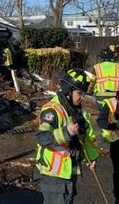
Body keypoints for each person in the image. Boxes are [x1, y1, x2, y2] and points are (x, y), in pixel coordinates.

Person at [35, 68, 99, 204]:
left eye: (83, 94)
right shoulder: (52, 110)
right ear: (68, 91)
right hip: (54, 175)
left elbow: (84, 138)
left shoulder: (77, 111)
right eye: (79, 93)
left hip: (68, 171)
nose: (82, 97)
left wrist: (90, 157)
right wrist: (66, 132)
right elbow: (42, 137)